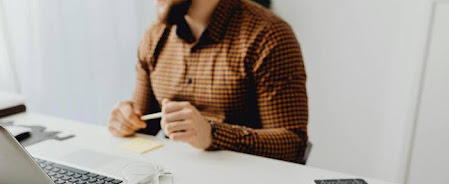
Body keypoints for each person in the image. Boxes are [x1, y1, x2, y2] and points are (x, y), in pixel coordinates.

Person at [108, 0, 308, 163]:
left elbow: (293, 145)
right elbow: (144, 125)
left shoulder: (269, 35)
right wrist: (125, 121)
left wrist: (212, 135)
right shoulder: (154, 37)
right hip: (174, 181)